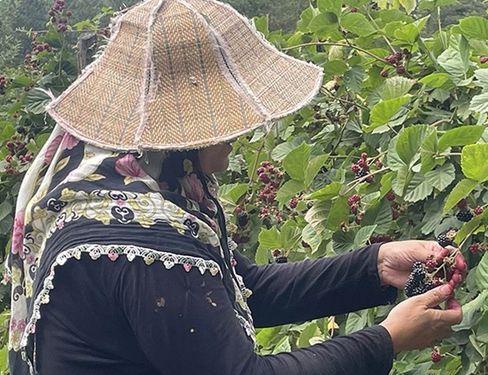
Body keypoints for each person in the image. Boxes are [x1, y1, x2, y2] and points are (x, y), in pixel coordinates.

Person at [6, 0, 463, 374]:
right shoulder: (142, 239)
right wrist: (386, 339)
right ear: (186, 137)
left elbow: (246, 287)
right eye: (225, 122)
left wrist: (376, 266)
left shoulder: (118, 184)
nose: (239, 133)